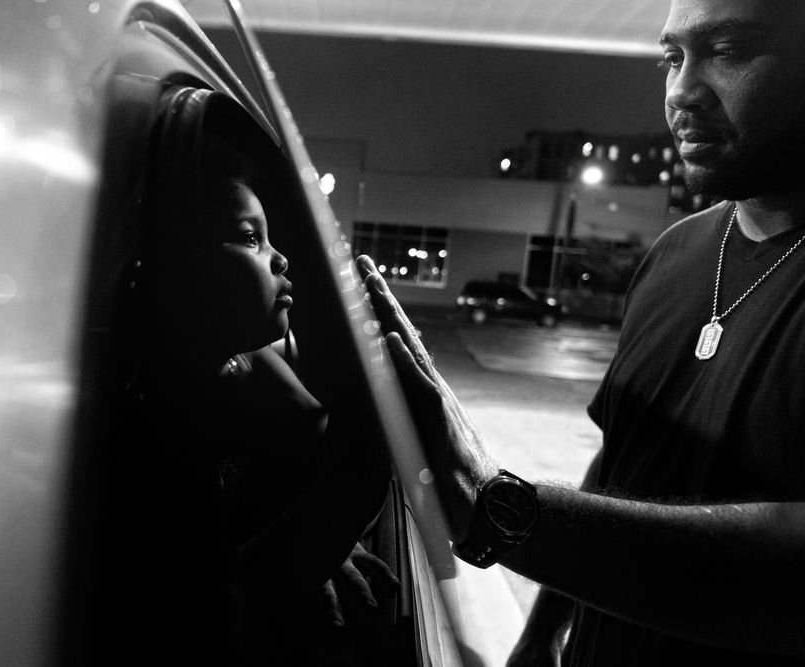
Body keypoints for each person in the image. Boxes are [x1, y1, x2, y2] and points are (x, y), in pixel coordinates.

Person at [358, 0, 805, 664]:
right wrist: (542, 633)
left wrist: (501, 506)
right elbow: (618, 464)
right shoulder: (674, 254)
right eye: (671, 58)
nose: (682, 90)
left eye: (730, 51)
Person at [129, 144, 399, 664]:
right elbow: (200, 606)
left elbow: (311, 435)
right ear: (172, 260)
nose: (280, 257)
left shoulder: (244, 361)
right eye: (251, 238)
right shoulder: (133, 414)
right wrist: (348, 491)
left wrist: (324, 547)